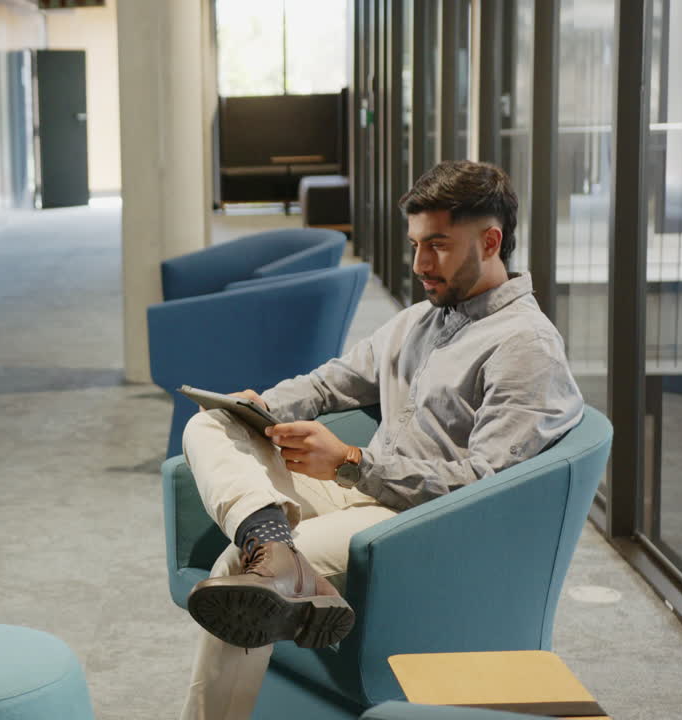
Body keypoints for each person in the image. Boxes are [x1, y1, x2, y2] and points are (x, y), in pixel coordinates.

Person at [177, 161, 584, 720]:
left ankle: (268, 561)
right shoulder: (418, 319)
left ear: (491, 241)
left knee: (233, 568)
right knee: (209, 422)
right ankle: (274, 548)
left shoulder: (526, 346)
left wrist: (348, 461)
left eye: (437, 246)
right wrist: (262, 407)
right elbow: (328, 383)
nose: (420, 264)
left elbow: (482, 484)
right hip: (363, 489)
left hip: (417, 523)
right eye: (416, 244)